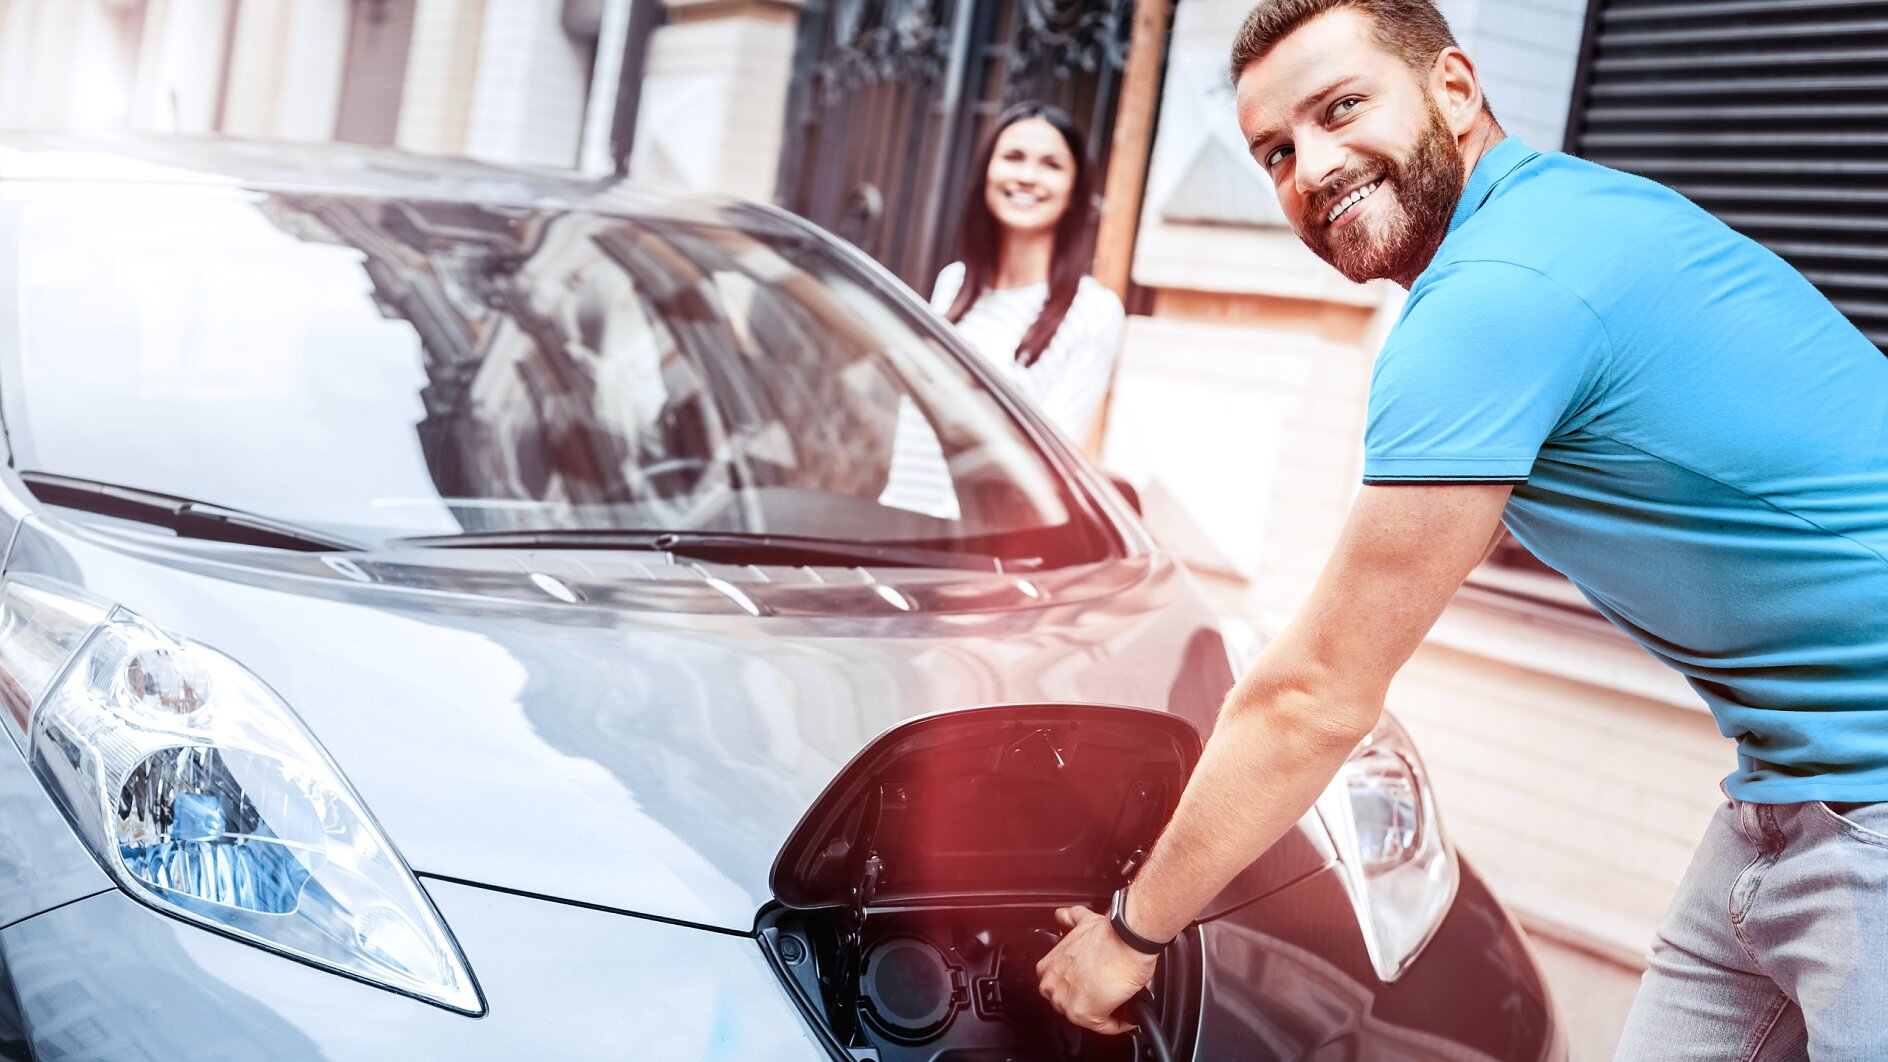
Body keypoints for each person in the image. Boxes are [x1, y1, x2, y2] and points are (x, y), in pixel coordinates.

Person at [1032, 1, 1888, 1058]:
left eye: (1342, 107)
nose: (1312, 165)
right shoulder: (1561, 222)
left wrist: (1130, 931)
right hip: (1796, 783)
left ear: (1454, 87)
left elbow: (1313, 696)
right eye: (1274, 151)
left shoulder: (1495, 295)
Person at [931, 101, 1125, 443]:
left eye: (1051, 165)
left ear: (1074, 191)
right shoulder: (952, 283)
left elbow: (1052, 461)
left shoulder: (1094, 312)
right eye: (1013, 157)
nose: (1027, 177)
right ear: (986, 172)